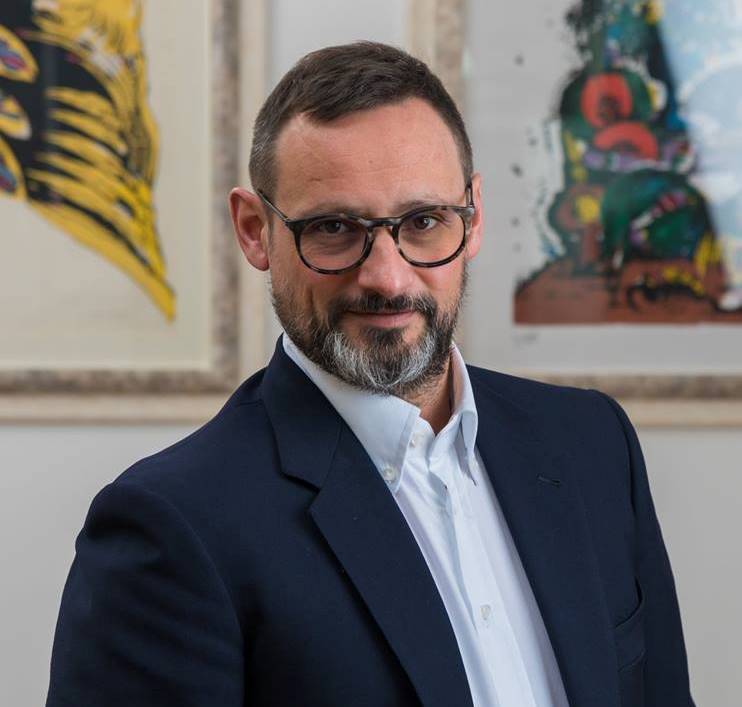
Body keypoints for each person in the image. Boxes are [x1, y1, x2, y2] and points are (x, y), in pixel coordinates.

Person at [46, 42, 695, 707]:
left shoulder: (593, 443)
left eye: (423, 221)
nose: (387, 277)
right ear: (254, 230)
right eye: (334, 227)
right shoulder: (170, 527)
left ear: (472, 217)